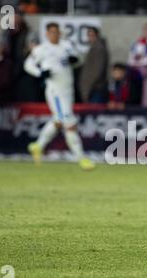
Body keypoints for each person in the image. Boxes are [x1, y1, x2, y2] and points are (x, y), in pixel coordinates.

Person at [24, 22, 95, 170]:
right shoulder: (41, 49)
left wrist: (75, 61)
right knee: (69, 122)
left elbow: (78, 59)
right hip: (55, 91)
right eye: (52, 32)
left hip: (68, 89)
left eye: (57, 32)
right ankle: (81, 158)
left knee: (58, 121)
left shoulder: (66, 46)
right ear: (47, 33)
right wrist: (40, 73)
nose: (55, 35)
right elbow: (28, 64)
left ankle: (38, 145)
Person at [79, 27, 109, 103]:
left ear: (97, 35)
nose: (90, 38)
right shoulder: (94, 48)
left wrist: (87, 89)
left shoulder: (98, 49)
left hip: (95, 88)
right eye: (89, 35)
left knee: (94, 112)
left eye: (92, 35)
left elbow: (97, 71)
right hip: (94, 88)